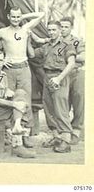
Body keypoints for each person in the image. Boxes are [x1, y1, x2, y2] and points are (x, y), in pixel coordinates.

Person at [0, 6, 45, 148]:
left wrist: (23, 17)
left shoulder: (25, 29)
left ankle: (25, 135)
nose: (16, 19)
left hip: (24, 68)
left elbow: (41, 15)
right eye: (13, 16)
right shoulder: (2, 32)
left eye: (18, 17)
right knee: (9, 98)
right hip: (9, 69)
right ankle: (11, 135)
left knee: (26, 100)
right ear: (8, 17)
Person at [0, 50, 36, 158]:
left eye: (1, 60)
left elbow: (4, 93)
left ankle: (16, 127)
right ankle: (17, 146)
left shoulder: (3, 75)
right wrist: (14, 104)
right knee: (18, 108)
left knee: (21, 94)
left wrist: (9, 93)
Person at [35, 21, 76, 153]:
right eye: (50, 30)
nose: (52, 32)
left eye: (54, 30)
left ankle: (66, 141)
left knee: (61, 109)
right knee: (48, 108)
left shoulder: (66, 46)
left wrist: (59, 78)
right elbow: (32, 54)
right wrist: (27, 33)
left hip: (60, 78)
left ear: (59, 31)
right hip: (47, 77)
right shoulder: (46, 47)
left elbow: (71, 64)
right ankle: (56, 137)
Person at [60, 17, 85, 145]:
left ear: (71, 28)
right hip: (62, 74)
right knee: (63, 102)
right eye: (62, 26)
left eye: (66, 27)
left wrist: (70, 55)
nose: (63, 29)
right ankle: (65, 131)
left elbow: (84, 56)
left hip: (75, 73)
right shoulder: (56, 41)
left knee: (78, 99)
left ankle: (76, 129)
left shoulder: (76, 41)